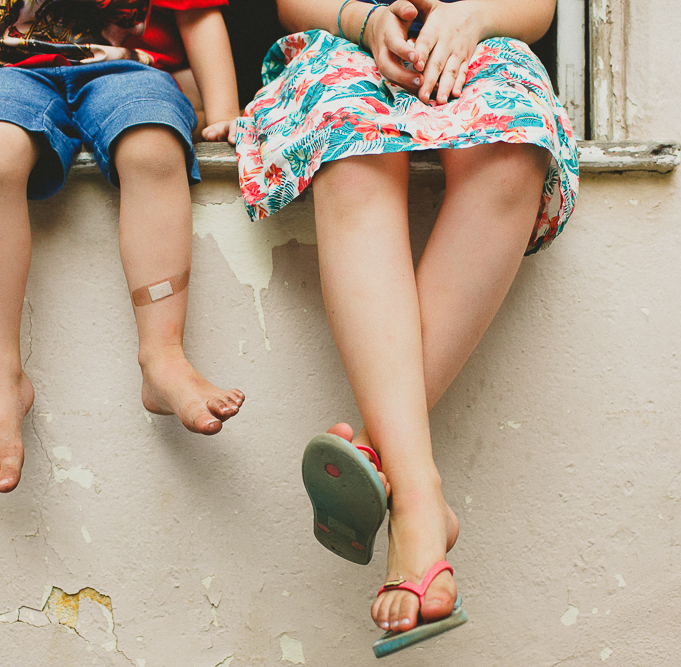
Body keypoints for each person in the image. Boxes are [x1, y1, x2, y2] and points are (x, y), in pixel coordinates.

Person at [235, 0, 578, 651]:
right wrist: (364, 24)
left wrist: (475, 17)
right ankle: (420, 502)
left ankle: (381, 449)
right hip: (347, 47)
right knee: (352, 147)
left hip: (480, 47)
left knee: (511, 149)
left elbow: (538, 7)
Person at [0, 0, 245, 495]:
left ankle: (163, 357)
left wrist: (225, 112)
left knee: (152, 143)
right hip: (5, 70)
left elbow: (199, 13)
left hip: (128, 69)